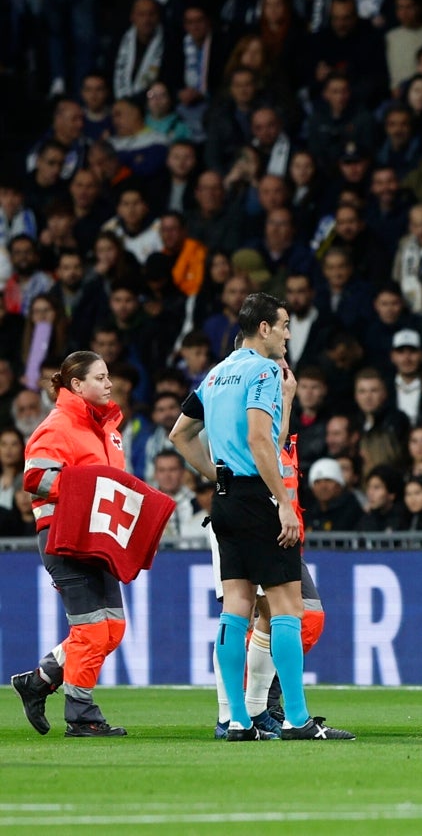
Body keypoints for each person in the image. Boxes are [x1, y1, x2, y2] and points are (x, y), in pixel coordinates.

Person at [169, 292, 352, 741]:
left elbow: (180, 433)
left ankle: (236, 720)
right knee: (288, 607)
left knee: (236, 608)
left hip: (226, 499)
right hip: (257, 497)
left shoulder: (216, 374)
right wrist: (283, 502)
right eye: (285, 325)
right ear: (264, 328)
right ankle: (297, 718)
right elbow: (259, 439)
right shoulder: (264, 369)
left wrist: (215, 473)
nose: (289, 334)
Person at [9, 351, 133, 737]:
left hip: (96, 534)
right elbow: (35, 478)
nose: (109, 384)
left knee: (111, 629)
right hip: (65, 534)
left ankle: (39, 680)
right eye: (100, 378)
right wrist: (87, 494)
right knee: (93, 631)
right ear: (76, 385)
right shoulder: (58, 425)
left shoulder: (107, 430)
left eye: (108, 376)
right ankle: (82, 715)